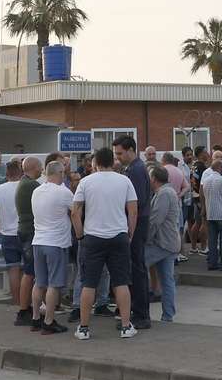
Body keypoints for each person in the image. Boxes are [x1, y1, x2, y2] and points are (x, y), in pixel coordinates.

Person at [70, 147, 138, 340]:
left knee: (89, 283)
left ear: (95, 163)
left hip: (92, 238)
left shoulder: (85, 182)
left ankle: (83, 328)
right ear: (113, 161)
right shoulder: (124, 181)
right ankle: (126, 326)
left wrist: (81, 236)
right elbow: (133, 211)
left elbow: (75, 212)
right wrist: (130, 233)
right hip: (119, 236)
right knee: (121, 281)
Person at [113, 134, 153, 330]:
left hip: (137, 223)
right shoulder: (133, 168)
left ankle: (141, 314)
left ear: (131, 150)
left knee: (136, 268)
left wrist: (130, 229)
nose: (118, 157)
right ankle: (136, 311)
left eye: (120, 153)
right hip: (137, 222)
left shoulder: (136, 170)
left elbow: (135, 203)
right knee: (135, 267)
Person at [29, 160, 74, 334]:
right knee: (54, 284)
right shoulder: (63, 192)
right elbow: (76, 211)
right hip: (56, 243)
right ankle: (48, 321)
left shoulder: (36, 191)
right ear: (61, 173)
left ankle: (35, 318)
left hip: (38, 241)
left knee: (39, 282)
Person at [0, 160, 25, 306]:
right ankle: (29, 302)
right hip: (25, 232)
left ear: (6, 174)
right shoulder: (25, 187)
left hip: (7, 234)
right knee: (29, 270)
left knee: (13, 269)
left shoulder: (0, 189)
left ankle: (17, 303)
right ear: (20, 173)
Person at [145, 165, 180, 323]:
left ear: (153, 178)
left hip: (162, 243)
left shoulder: (164, 193)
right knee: (167, 281)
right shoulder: (168, 191)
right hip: (170, 242)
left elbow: (155, 221)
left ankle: (137, 311)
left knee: (135, 267)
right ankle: (168, 317)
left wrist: (144, 240)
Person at [14, 156, 41, 326]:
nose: (42, 169)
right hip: (30, 231)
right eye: (40, 166)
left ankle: (27, 307)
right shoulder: (32, 185)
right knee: (30, 272)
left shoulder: (24, 182)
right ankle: (23, 311)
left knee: (30, 272)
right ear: (33, 167)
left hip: (25, 230)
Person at [200, 152, 222, 271]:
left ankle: (212, 263)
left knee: (212, 240)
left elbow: (203, 194)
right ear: (219, 168)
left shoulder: (206, 180)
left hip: (211, 214)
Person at [160, 152, 190, 262]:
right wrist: (179, 195)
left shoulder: (161, 171)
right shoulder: (179, 171)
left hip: (165, 203)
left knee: (166, 229)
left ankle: (169, 253)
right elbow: (187, 187)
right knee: (178, 230)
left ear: (163, 160)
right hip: (178, 203)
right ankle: (181, 253)